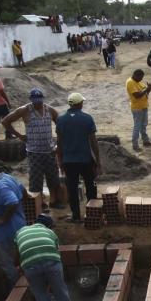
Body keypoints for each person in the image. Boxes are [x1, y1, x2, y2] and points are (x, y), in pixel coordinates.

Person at [3, 88, 63, 207]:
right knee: (36, 179)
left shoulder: (50, 110)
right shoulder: (24, 110)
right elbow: (5, 121)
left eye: (39, 100)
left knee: (53, 177)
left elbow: (60, 126)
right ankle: (39, 203)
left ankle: (54, 201)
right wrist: (19, 135)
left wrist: (58, 144)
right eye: (35, 100)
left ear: (42, 99)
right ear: (31, 100)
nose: (38, 103)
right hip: (34, 151)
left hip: (50, 150)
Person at [15, 214, 72, 301]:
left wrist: (19, 266)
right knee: (59, 288)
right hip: (51, 261)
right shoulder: (50, 232)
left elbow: (17, 251)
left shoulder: (20, 231)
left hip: (29, 265)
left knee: (40, 293)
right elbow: (55, 251)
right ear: (49, 226)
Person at [56, 92, 100, 222]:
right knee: (91, 186)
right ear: (80, 104)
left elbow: (59, 142)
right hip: (85, 159)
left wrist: (60, 161)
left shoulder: (61, 120)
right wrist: (98, 160)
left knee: (72, 188)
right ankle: (93, 214)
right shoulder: (87, 118)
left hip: (69, 161)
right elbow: (93, 141)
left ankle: (75, 216)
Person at [126, 69, 151, 152]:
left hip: (144, 106)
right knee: (137, 127)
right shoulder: (130, 82)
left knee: (143, 125)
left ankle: (145, 141)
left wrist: (149, 89)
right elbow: (137, 95)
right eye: (140, 77)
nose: (141, 79)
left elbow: (145, 94)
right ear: (136, 75)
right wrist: (146, 89)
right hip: (137, 108)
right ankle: (135, 145)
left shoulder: (138, 82)